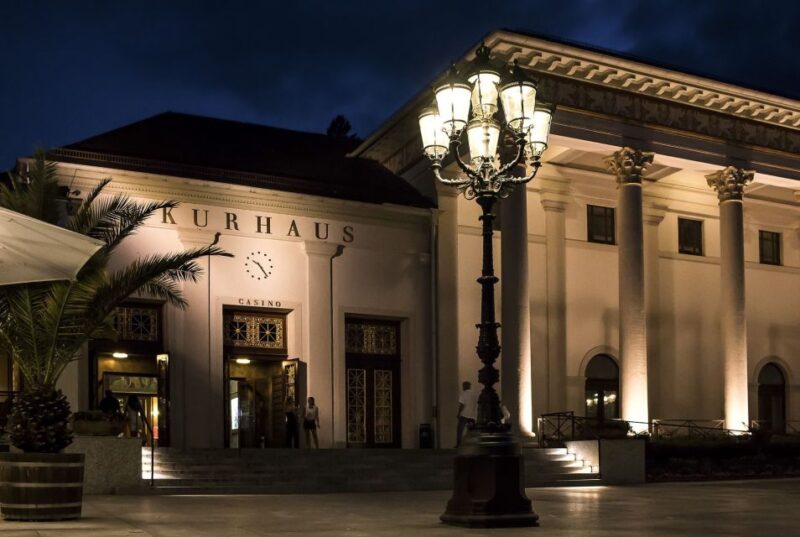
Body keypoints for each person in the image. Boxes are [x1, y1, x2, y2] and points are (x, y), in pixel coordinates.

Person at [456, 381, 478, 447]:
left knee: (460, 430)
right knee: (471, 431)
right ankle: (472, 445)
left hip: (464, 415)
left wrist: (458, 413)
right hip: (473, 416)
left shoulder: (463, 394)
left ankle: (459, 444)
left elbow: (462, 405)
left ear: (465, 386)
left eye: (463, 386)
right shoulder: (474, 394)